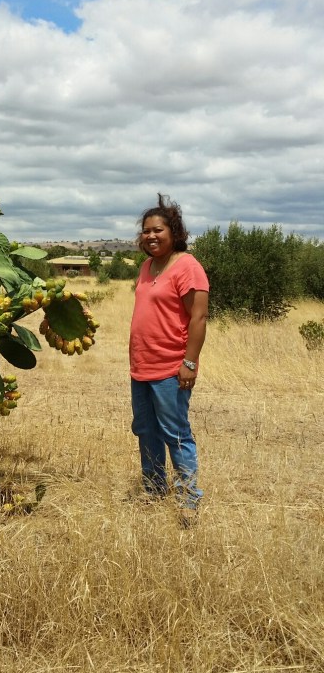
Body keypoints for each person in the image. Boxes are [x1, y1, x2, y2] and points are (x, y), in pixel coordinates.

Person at [129, 194, 209, 522]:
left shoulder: (188, 266)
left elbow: (199, 318)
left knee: (175, 432)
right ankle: (155, 487)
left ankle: (190, 496)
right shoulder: (148, 266)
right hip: (141, 367)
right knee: (146, 429)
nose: (151, 236)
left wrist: (189, 362)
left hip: (170, 368)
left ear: (174, 232)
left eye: (158, 230)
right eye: (146, 231)